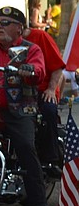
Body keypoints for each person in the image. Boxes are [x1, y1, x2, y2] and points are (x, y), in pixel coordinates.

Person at [0, 6, 48, 206]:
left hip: (19, 109)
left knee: (25, 145)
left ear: (19, 28)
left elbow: (39, 70)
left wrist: (29, 69)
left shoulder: (29, 49)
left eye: (5, 23)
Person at [22, 18, 65, 170]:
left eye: (6, 24)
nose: (0, 27)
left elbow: (58, 66)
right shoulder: (4, 41)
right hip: (19, 91)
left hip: (43, 89)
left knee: (48, 110)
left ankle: (51, 159)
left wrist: (51, 89)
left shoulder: (40, 36)